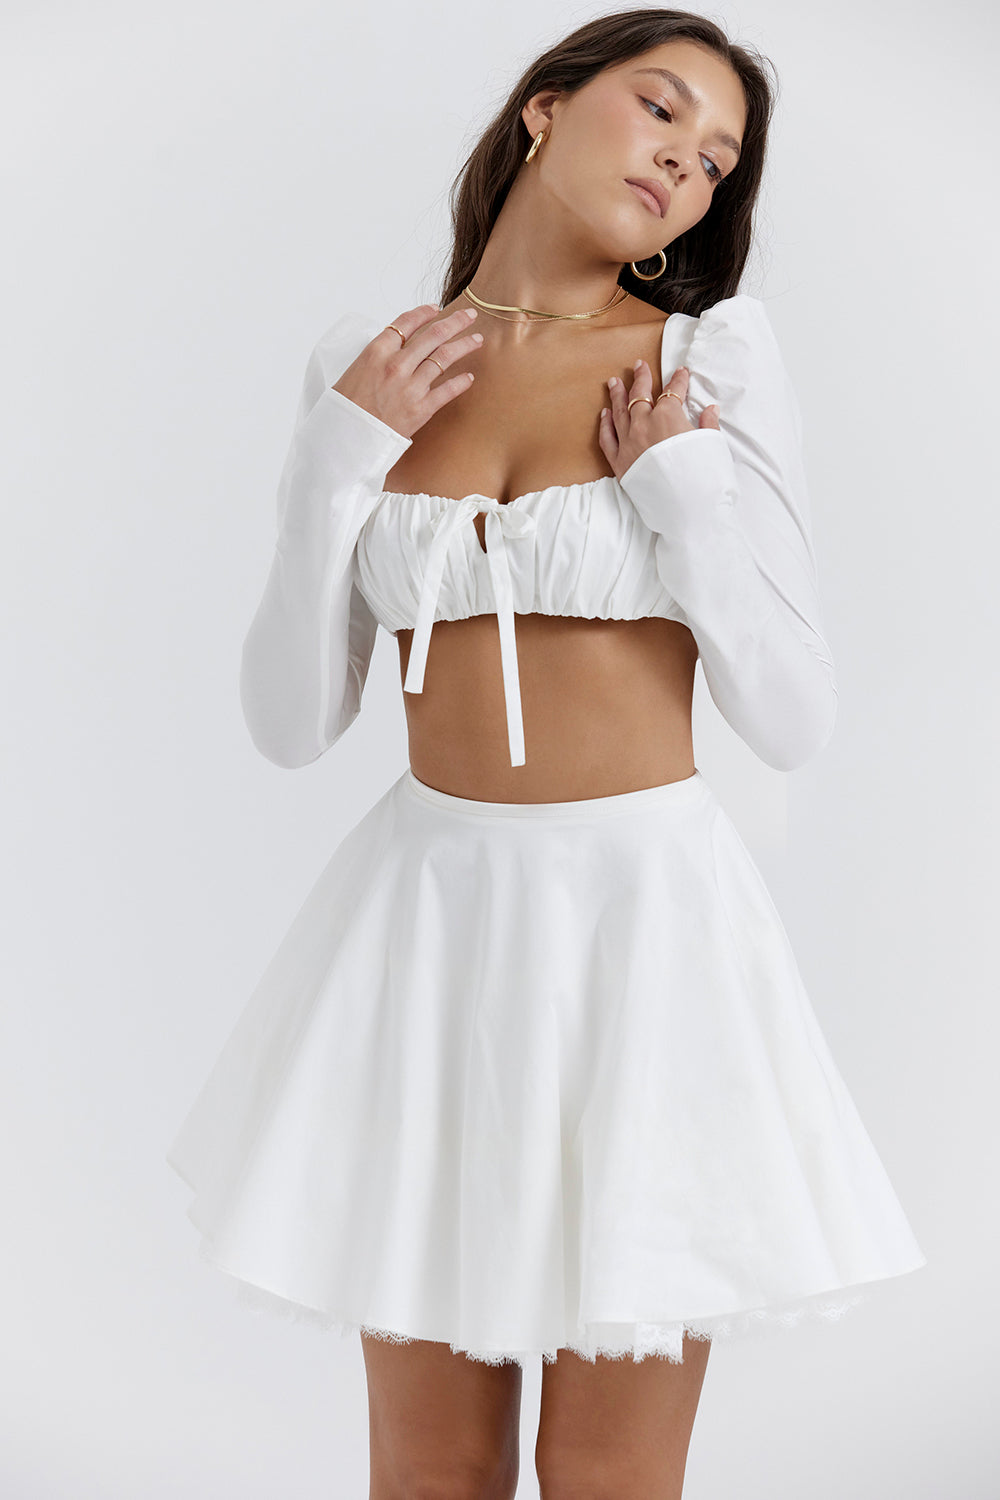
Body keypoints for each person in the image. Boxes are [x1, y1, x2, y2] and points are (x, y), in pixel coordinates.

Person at [167, 11, 926, 1497]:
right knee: (430, 1475)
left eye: (719, 161)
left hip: (647, 940)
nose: (687, 164)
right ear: (544, 109)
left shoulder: (707, 362)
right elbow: (290, 725)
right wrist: (335, 462)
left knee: (608, 1480)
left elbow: (795, 716)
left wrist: (684, 492)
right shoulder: (372, 363)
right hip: (427, 933)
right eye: (661, 109)